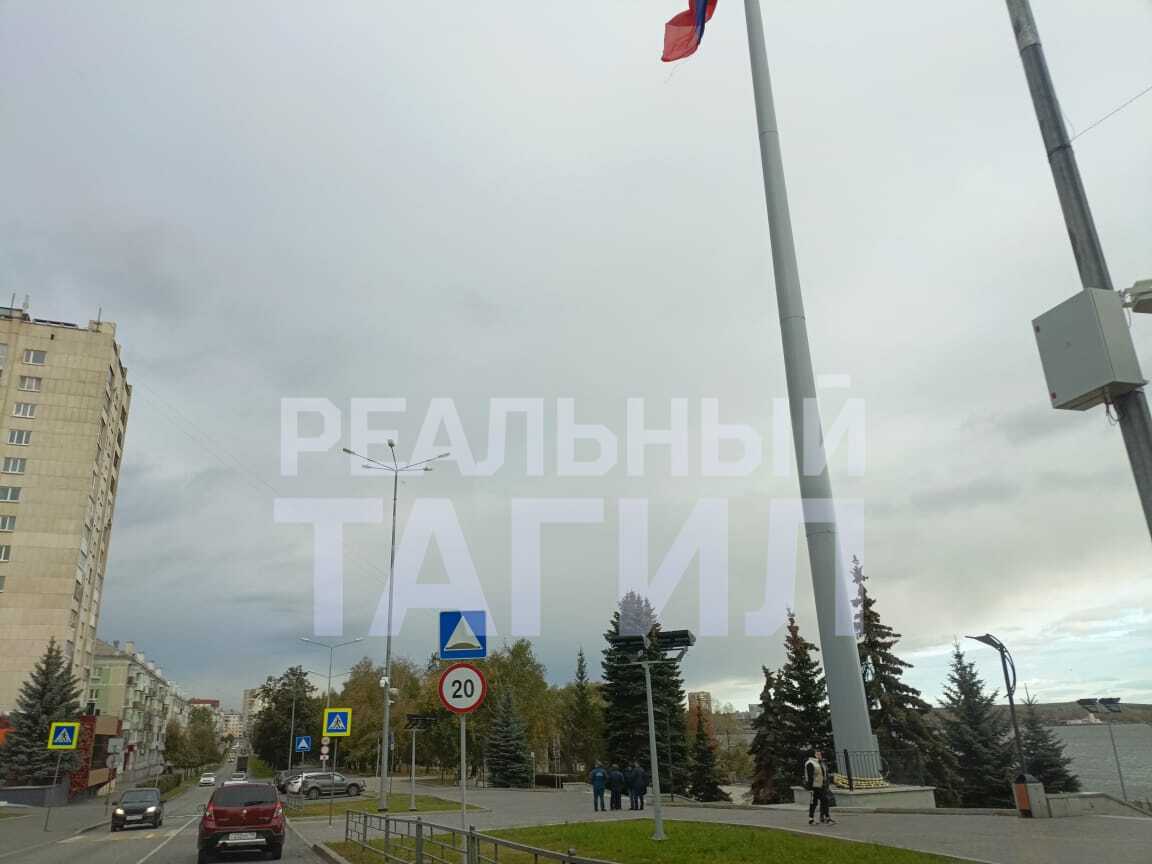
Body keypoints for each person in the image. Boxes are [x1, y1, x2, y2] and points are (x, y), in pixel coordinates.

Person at [803, 748, 835, 825]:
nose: (820, 755)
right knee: (815, 802)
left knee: (823, 801)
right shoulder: (810, 763)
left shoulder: (820, 762)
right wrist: (810, 788)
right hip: (815, 786)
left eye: (820, 754)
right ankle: (812, 819)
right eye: (818, 754)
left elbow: (823, 773)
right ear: (813, 755)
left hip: (821, 785)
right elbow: (810, 776)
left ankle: (825, 817)